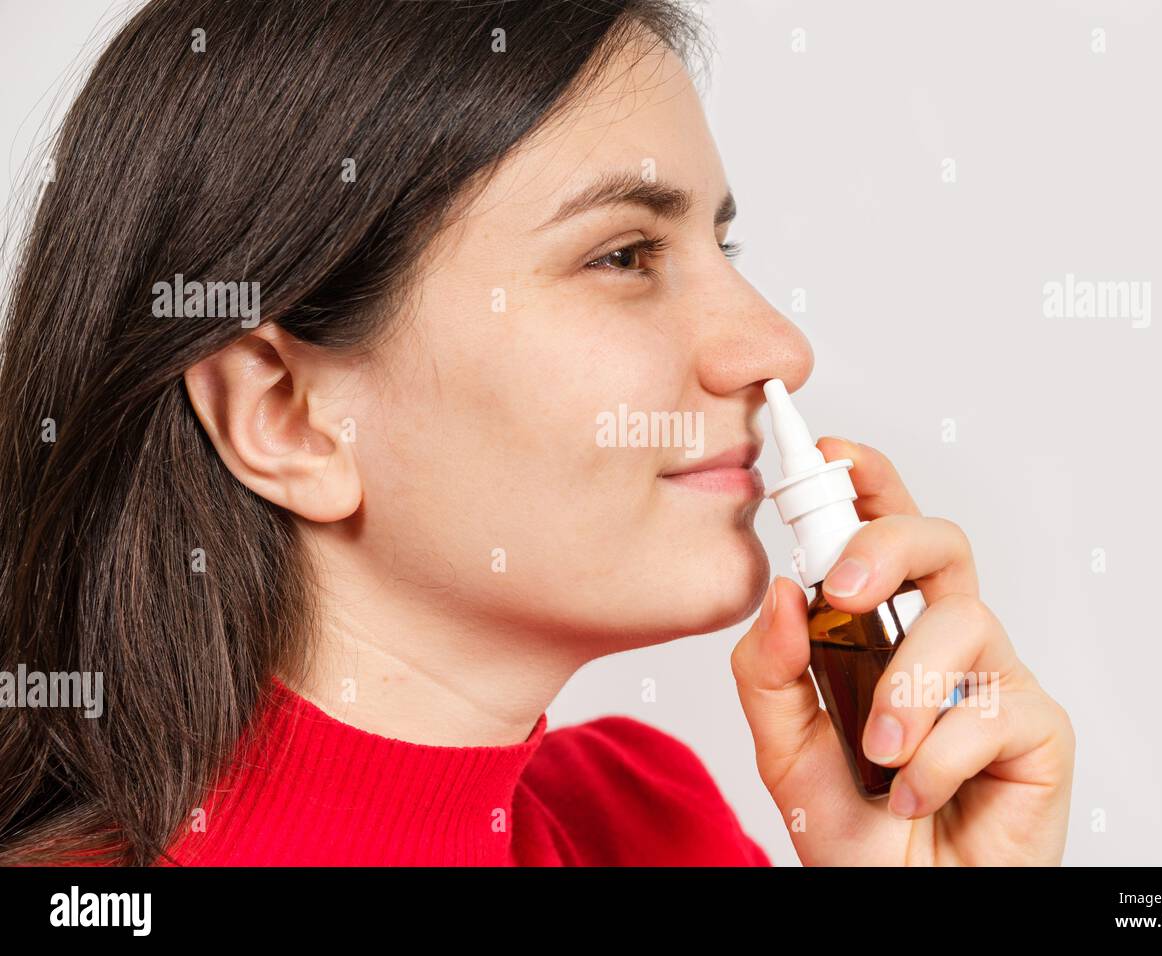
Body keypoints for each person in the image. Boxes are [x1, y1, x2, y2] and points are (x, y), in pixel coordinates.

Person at [0, 0, 1073, 866]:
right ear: (283, 413)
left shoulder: (648, 825)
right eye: (622, 256)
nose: (775, 347)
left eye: (722, 244)